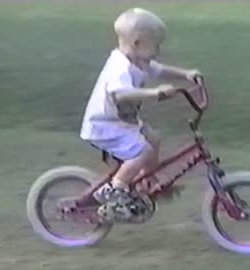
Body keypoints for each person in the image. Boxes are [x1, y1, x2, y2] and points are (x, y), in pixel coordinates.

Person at [80, 7, 202, 221]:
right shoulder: (121, 67)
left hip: (123, 122)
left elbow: (160, 69)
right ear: (137, 43)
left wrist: (185, 74)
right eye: (156, 44)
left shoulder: (139, 60)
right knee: (142, 151)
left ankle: (145, 182)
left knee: (154, 139)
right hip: (104, 125)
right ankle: (115, 190)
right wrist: (153, 93)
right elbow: (119, 94)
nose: (160, 48)